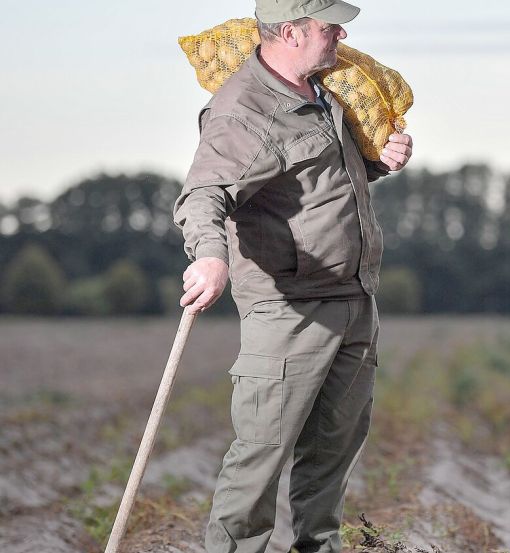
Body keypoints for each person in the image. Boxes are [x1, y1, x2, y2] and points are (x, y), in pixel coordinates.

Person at [172, 0, 412, 551]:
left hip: (353, 300)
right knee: (260, 459)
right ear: (291, 32)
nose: (341, 35)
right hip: (289, 310)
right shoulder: (243, 111)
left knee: (331, 457)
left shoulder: (324, 93)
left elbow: (326, 181)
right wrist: (210, 256)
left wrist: (381, 161)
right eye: (330, 27)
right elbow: (203, 194)